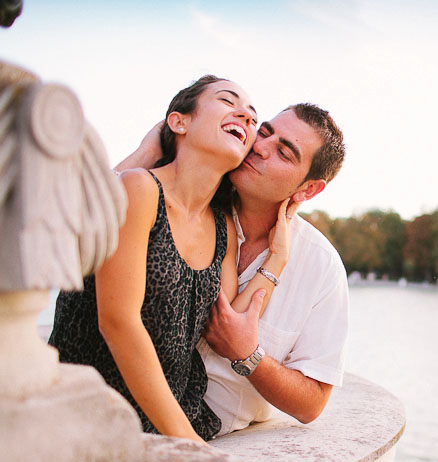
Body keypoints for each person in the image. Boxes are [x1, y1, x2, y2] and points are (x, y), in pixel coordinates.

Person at [51, 76, 290, 443]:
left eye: (252, 117)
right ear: (179, 122)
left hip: (170, 423)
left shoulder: (222, 223)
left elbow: (226, 320)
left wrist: (277, 258)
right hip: (89, 417)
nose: (245, 115)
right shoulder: (139, 189)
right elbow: (118, 323)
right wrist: (188, 443)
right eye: (228, 101)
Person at [117, 102, 349, 437]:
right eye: (265, 132)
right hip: (129, 408)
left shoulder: (320, 267)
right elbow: (96, 220)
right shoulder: (188, 205)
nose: (260, 147)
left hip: (210, 436)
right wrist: (153, 149)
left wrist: (249, 355)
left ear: (308, 189)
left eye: (284, 153)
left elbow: (311, 404)